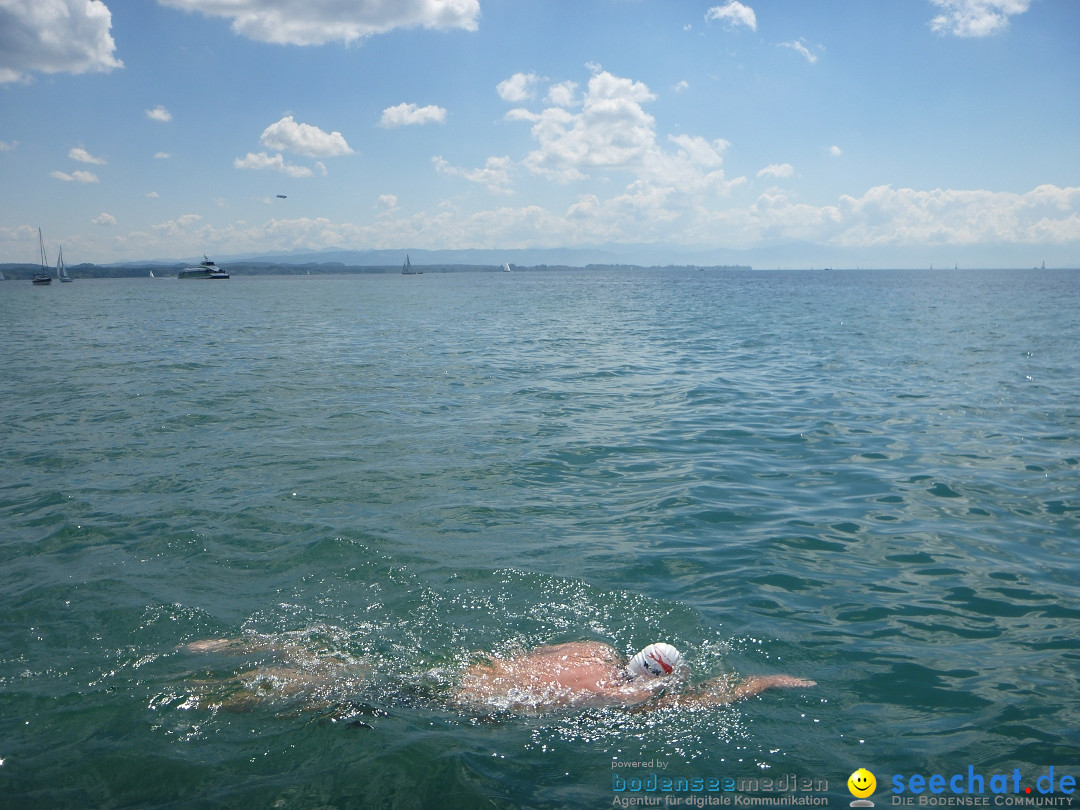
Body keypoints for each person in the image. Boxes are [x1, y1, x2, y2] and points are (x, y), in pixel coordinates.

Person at [454, 640, 814, 713]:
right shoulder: (626, 696)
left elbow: (531, 656)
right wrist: (765, 681)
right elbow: (704, 700)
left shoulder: (594, 649)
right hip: (483, 706)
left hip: (475, 675)